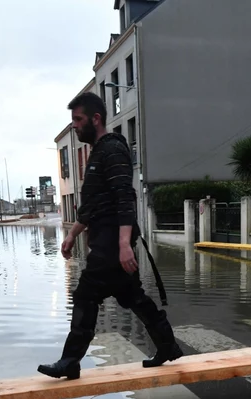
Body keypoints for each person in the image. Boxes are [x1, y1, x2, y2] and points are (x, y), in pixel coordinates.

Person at [39, 93, 181, 380]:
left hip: (110, 243)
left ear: (96, 119)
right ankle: (167, 345)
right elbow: (91, 207)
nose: (75, 127)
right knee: (133, 296)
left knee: (86, 294)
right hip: (107, 240)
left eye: (78, 120)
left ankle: (70, 361)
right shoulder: (98, 153)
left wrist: (123, 244)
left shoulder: (113, 150)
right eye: (73, 121)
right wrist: (71, 236)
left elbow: (124, 198)